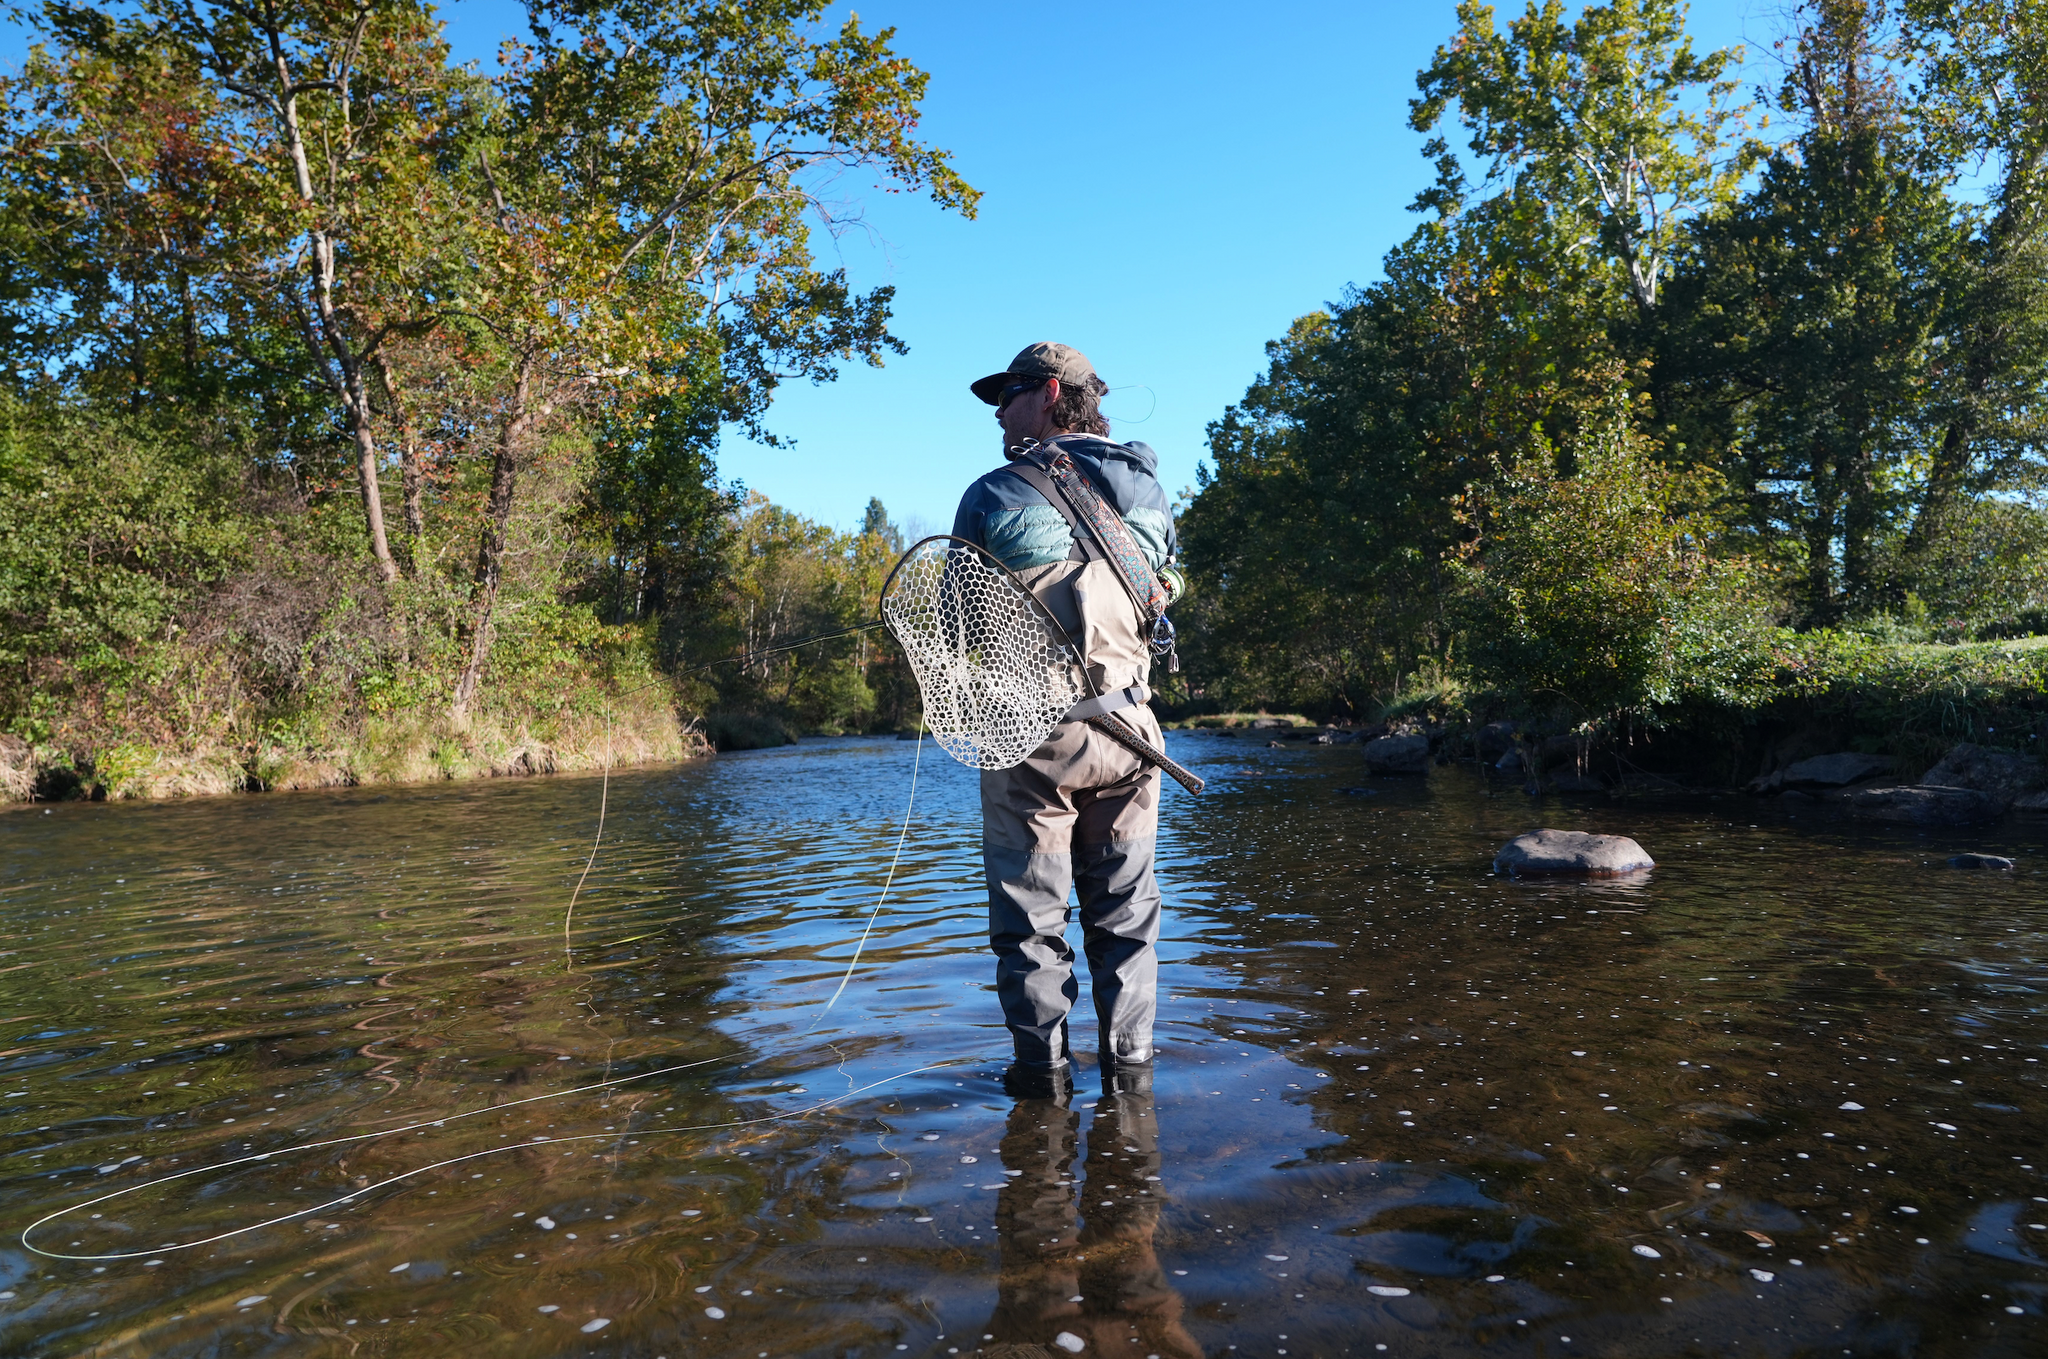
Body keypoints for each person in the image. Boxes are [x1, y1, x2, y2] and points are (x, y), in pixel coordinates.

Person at [951, 342, 1179, 1094]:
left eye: (1009, 393)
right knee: (1127, 922)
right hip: (1135, 736)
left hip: (1033, 742)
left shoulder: (990, 494)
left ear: (1050, 393)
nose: (997, 409)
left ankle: (1043, 1091)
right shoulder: (1148, 491)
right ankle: (1134, 1085)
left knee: (1031, 927)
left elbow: (961, 632)